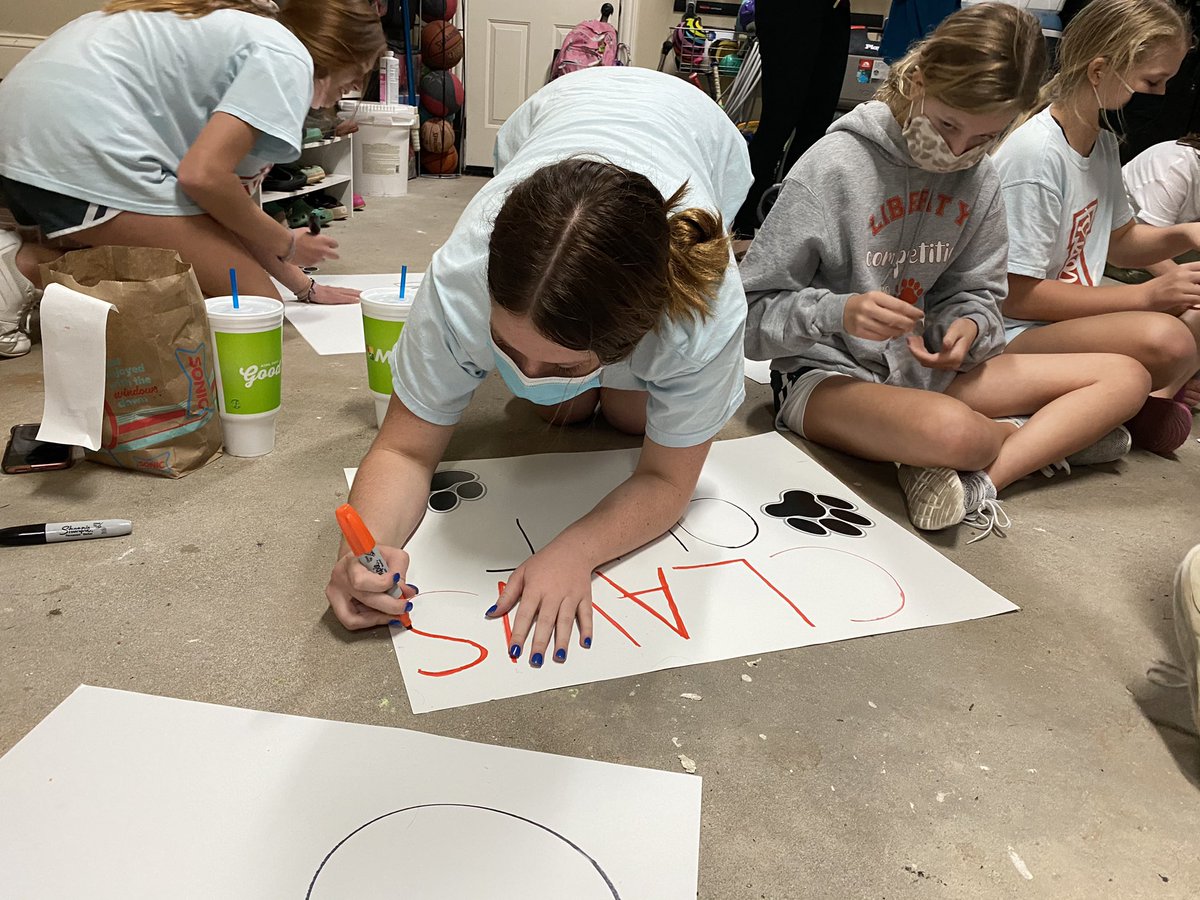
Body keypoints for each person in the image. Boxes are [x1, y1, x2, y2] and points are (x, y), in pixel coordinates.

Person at [324, 68, 752, 665]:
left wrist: (577, 549)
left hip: (696, 128)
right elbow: (404, 450)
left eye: (563, 362)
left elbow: (668, 481)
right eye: (505, 345)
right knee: (566, 410)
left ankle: (611, 388)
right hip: (557, 110)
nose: (522, 372)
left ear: (635, 338)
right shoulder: (460, 282)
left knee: (633, 421)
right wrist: (368, 553)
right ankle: (578, 379)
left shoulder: (700, 316)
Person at [741, 2, 1150, 540]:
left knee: (1128, 377)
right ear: (916, 81)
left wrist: (970, 329)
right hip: (825, 378)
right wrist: (841, 311)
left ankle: (979, 477)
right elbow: (750, 318)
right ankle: (1037, 440)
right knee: (957, 433)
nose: (957, 151)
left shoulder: (980, 180)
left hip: (931, 377)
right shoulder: (833, 166)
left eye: (984, 139)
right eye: (948, 124)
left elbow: (979, 294)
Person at [0, 0, 382, 358]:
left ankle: (30, 270)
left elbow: (228, 205)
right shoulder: (288, 59)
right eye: (360, 72)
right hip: (74, 145)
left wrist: (302, 284)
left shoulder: (250, 32)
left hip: (24, 134)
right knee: (253, 305)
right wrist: (285, 243)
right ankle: (23, 267)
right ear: (337, 50)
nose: (353, 87)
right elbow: (203, 178)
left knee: (235, 282)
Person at [993, 0, 1199, 454]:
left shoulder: (1101, 141)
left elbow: (1120, 242)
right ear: (1100, 70)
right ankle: (1084, 411)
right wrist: (1144, 297)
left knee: (1184, 329)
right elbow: (1016, 293)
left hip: (1055, 319)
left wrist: (1187, 234)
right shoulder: (1037, 154)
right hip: (1007, 330)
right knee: (1168, 341)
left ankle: (1110, 409)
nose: (1162, 95)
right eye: (1153, 81)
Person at [731, 0, 852, 237]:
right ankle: (741, 225)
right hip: (790, 10)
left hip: (835, 10)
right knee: (779, 123)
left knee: (816, 127)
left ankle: (788, 224)